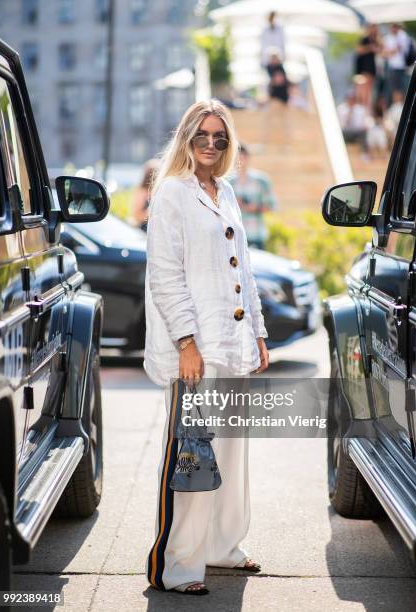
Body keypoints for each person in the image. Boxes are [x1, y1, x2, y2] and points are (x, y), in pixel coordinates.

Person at [144, 99, 269, 596]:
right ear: (187, 139)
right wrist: (186, 342)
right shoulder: (171, 193)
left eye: (220, 137)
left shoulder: (228, 192)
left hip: (233, 343)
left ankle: (222, 549)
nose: (212, 145)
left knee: (233, 457)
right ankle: (176, 566)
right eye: (203, 137)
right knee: (191, 455)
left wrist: (258, 332)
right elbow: (165, 274)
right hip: (196, 348)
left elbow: (246, 269)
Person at [229, 144, 277, 250]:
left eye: (242, 157)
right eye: (236, 158)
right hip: (234, 236)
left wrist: (255, 208)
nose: (240, 161)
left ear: (248, 157)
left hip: (255, 235)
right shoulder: (227, 182)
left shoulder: (261, 181)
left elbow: (271, 206)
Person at [354, 23, 382, 109]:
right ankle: (362, 107)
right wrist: (370, 48)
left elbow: (381, 50)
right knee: (362, 89)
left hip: (371, 67)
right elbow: (359, 50)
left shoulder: (376, 40)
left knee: (368, 90)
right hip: (363, 68)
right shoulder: (365, 39)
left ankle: (365, 108)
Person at [382, 23, 411, 104]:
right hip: (393, 67)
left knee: (404, 88)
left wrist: (391, 51)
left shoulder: (402, 35)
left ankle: (402, 105)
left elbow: (398, 49)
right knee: (395, 88)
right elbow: (385, 53)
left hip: (403, 67)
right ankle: (397, 105)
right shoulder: (388, 38)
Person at [337, 89, 370, 156]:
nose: (351, 100)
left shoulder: (360, 109)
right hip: (345, 131)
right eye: (350, 98)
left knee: (364, 132)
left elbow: (364, 122)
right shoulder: (341, 108)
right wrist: (349, 114)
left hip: (357, 131)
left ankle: (365, 154)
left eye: (352, 99)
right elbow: (340, 124)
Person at [131, 158, 160, 231]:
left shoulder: (159, 190)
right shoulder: (141, 192)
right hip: (143, 231)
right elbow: (136, 216)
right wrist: (150, 211)